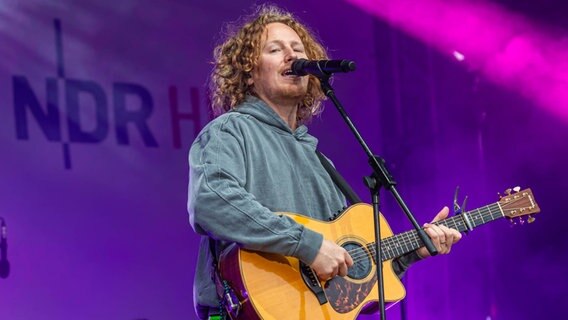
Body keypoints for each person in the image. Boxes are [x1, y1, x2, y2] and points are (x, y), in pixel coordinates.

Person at [187, 5, 461, 320]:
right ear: (249, 72)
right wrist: (307, 244)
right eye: (275, 50)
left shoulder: (318, 160)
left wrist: (411, 253)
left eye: (298, 49)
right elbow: (211, 202)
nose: (291, 56)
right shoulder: (230, 130)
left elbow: (347, 274)